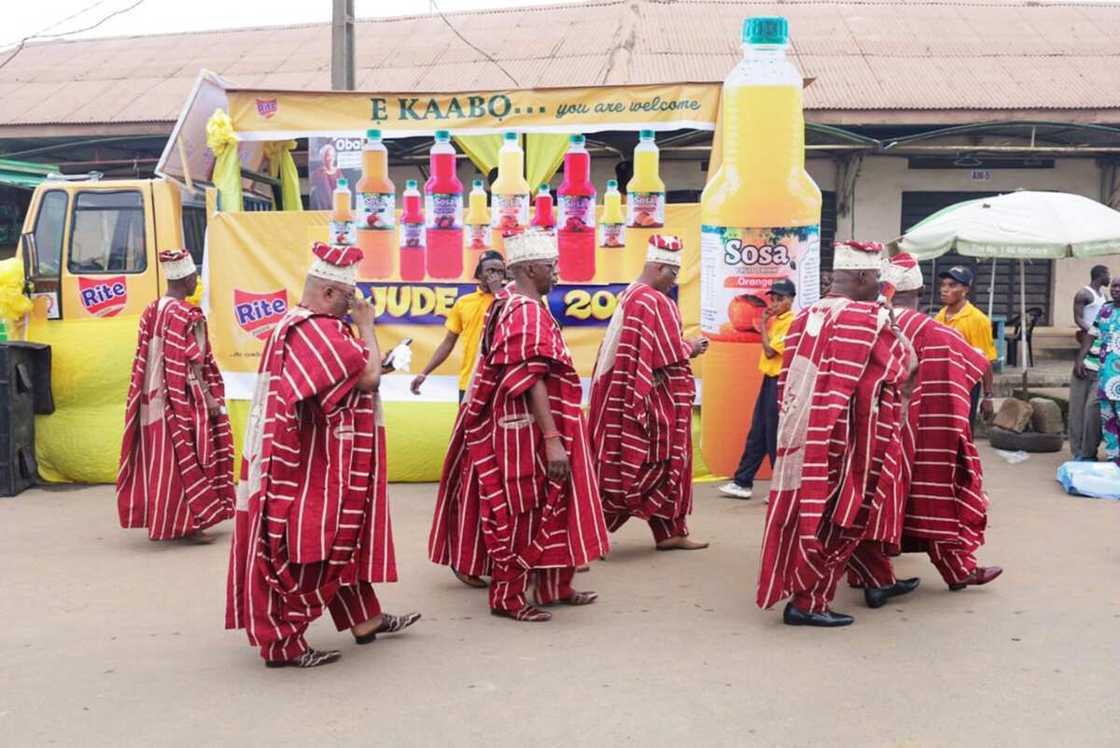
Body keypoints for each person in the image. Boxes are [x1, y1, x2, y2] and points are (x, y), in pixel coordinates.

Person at [226, 242, 420, 669]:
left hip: (317, 455)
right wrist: (367, 326)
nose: (353, 308)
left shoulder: (298, 326)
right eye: (349, 300)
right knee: (314, 545)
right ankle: (282, 642)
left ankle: (364, 619)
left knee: (341, 541)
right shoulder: (315, 329)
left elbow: (348, 377)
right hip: (311, 462)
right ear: (331, 294)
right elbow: (365, 379)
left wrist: (373, 360)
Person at [430, 229, 609, 622]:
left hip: (536, 425)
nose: (556, 274)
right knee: (523, 508)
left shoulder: (515, 303)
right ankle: (508, 598)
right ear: (529, 268)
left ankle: (553, 586)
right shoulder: (524, 311)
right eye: (550, 266)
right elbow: (531, 377)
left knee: (555, 503)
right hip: (524, 429)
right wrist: (551, 439)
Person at [756, 241, 914, 627]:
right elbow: (903, 365)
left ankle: (869, 580)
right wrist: (889, 319)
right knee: (837, 518)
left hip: (799, 432)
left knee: (807, 513)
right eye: (875, 277)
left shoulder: (805, 314)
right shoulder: (864, 320)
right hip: (843, 439)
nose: (878, 284)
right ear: (861, 276)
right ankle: (808, 602)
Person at [856, 253, 1002, 596]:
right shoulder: (932, 328)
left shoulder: (866, 323)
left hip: (869, 430)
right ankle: (957, 571)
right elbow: (977, 364)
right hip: (919, 430)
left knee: (867, 501)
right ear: (920, 289)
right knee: (934, 496)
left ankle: (869, 576)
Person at [588, 234, 709, 551]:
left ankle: (670, 531)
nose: (674, 281)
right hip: (647, 399)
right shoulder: (649, 300)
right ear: (657, 267)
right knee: (642, 463)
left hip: (646, 394)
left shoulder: (634, 295)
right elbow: (658, 352)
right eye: (672, 273)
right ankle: (588, 533)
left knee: (667, 463)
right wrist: (691, 346)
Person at [116, 249, 234, 542]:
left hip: (151, 397)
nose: (197, 283)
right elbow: (196, 359)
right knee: (190, 455)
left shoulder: (151, 310)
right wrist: (209, 398)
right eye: (194, 277)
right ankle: (191, 523)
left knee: (163, 460)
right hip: (182, 396)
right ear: (186, 278)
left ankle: (170, 519)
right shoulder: (187, 314)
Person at [719, 278, 796, 500]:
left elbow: (771, 351)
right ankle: (743, 482)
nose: (774, 303)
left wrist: (762, 324)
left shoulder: (792, 322)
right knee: (758, 432)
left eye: (780, 299)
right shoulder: (778, 320)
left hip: (780, 381)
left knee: (773, 434)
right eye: (773, 298)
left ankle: (780, 487)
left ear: (790, 300)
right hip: (769, 379)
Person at [411, 251, 508, 404]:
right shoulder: (464, 302)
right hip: (470, 380)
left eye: (500, 271)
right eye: (490, 270)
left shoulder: (511, 301)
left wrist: (498, 293)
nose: (495, 275)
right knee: (466, 427)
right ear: (479, 274)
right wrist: (424, 373)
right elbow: (448, 342)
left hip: (502, 380)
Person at [934, 265, 996, 424]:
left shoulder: (978, 320)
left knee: (961, 434)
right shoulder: (940, 316)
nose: (944, 289)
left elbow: (985, 361)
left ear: (965, 289)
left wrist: (988, 396)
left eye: (952, 285)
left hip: (965, 386)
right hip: (941, 384)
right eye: (943, 284)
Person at [1069, 265, 1110, 460]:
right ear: (1100, 276)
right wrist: (1094, 332)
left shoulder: (1104, 302)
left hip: (1106, 365)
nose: (1112, 283)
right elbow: (1079, 319)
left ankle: (1088, 451)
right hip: (1089, 352)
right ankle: (1079, 452)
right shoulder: (1084, 294)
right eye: (1109, 276)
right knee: (1078, 410)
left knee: (1092, 410)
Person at [1079, 276, 1120, 463]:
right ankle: (1113, 458)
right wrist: (1081, 358)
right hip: (1105, 377)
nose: (1115, 289)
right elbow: (1092, 334)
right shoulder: (1105, 310)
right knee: (1108, 420)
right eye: (1114, 286)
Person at [309, 143, 341, 209]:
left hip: (338, 204)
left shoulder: (338, 171)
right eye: (328, 155)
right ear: (323, 158)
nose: (331, 158)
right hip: (323, 206)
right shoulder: (318, 172)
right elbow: (314, 189)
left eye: (332, 155)